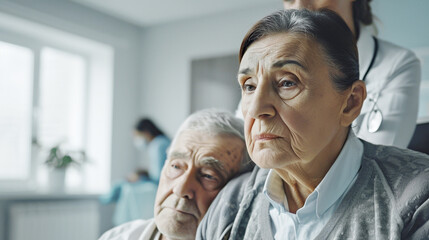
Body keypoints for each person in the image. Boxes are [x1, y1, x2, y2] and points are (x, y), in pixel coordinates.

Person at [197, 10, 429, 239]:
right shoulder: (231, 205)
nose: (256, 109)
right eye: (249, 86)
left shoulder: (418, 197)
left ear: (350, 102)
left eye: (287, 82)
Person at [235, 0, 421, 148]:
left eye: (288, 83)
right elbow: (240, 145)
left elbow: (375, 163)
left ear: (352, 100)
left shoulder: (398, 64)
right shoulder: (262, 79)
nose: (300, 7)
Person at [99, 109, 252, 240]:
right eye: (176, 166)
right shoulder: (117, 237)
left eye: (208, 176)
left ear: (238, 193)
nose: (180, 189)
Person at [132, 118, 171, 182]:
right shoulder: (159, 142)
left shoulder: (158, 145)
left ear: (146, 132)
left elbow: (158, 175)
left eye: (138, 135)